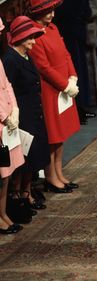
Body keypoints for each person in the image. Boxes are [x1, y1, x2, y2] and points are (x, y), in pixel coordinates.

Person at [27, 0, 80, 193]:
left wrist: (72, 76)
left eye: (52, 10)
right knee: (52, 136)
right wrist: (64, 85)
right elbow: (44, 68)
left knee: (62, 134)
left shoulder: (53, 28)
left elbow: (65, 54)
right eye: (47, 11)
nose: (51, 14)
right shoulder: (35, 35)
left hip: (63, 87)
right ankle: (51, 177)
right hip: (50, 90)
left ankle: (59, 172)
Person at [2, 15, 50, 212]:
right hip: (21, 117)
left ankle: (26, 191)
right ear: (20, 38)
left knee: (34, 155)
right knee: (24, 159)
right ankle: (18, 195)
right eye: (30, 38)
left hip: (34, 113)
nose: (33, 41)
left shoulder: (25, 56)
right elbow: (6, 89)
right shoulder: (10, 60)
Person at [0, 17, 24, 234]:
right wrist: (5, 116)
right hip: (0, 122)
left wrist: (14, 110)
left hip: (7, 120)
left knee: (6, 173)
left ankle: (3, 213)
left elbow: (6, 85)